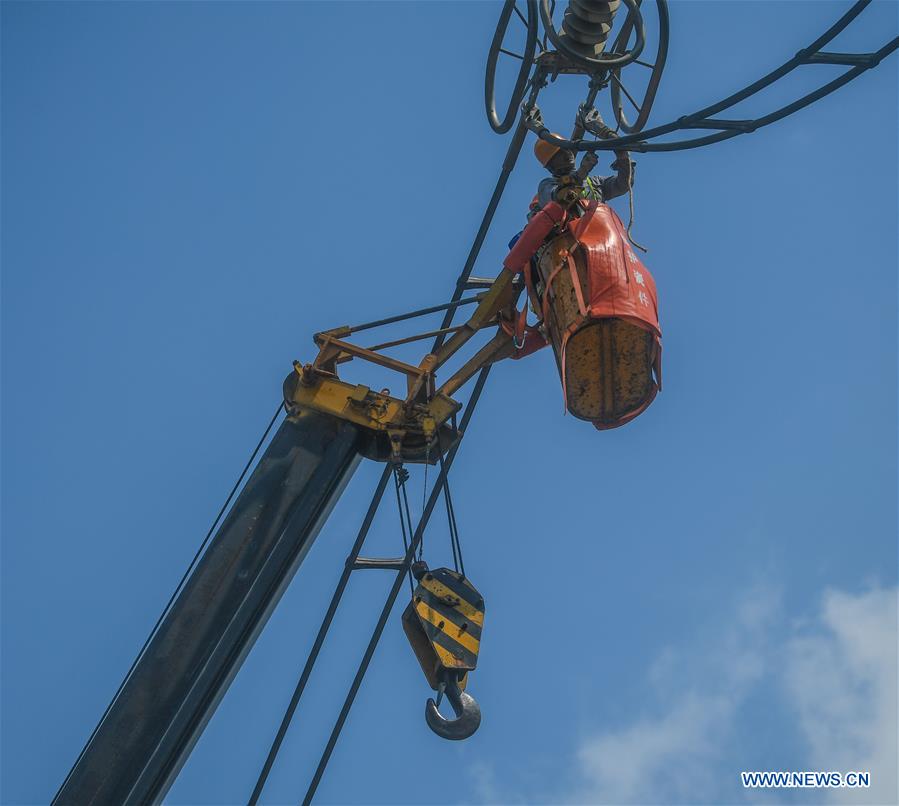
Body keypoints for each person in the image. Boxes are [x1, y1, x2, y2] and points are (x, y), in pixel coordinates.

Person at [533, 136, 634, 211]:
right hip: (574, 233)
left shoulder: (595, 183)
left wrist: (624, 160)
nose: (567, 154)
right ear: (551, 166)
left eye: (566, 149)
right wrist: (582, 172)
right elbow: (561, 198)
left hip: (600, 231)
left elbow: (623, 185)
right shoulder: (547, 186)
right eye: (559, 154)